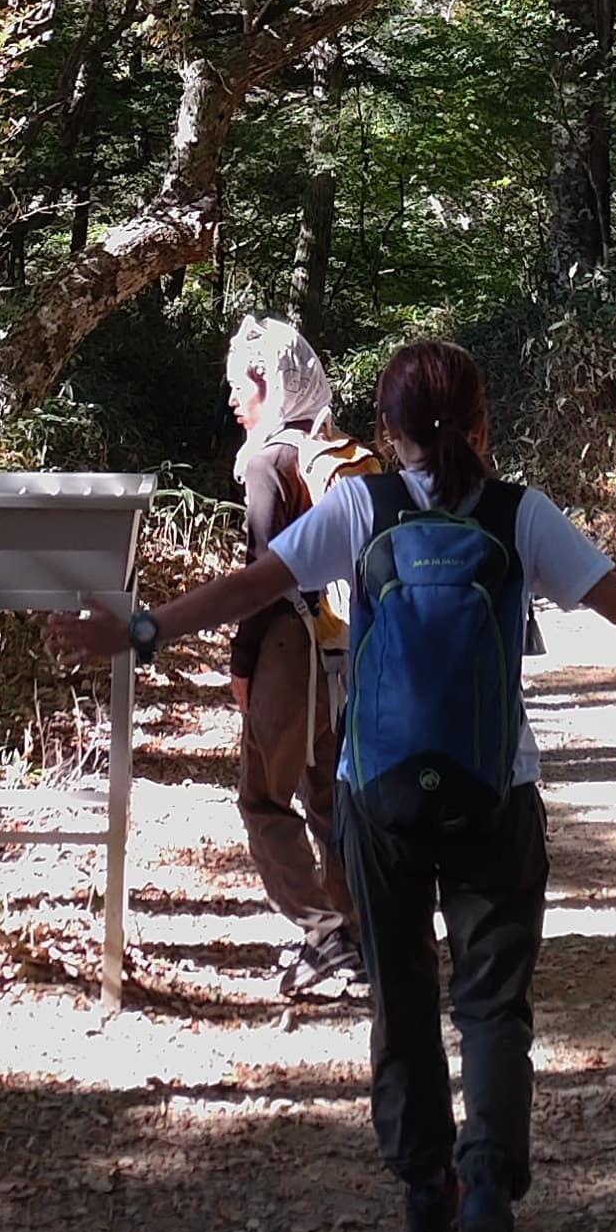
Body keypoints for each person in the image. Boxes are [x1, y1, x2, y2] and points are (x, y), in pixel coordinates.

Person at [51, 336, 616, 1232]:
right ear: (484, 423)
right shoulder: (519, 515)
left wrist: (138, 629)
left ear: (386, 431)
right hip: (496, 794)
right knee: (493, 1006)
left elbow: (250, 589)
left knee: (404, 994)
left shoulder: (359, 507)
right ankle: (489, 1187)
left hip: (379, 797)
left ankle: (426, 1189)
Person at [220, 315, 374, 1000]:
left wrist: (242, 661)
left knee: (262, 796)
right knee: (329, 797)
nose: (231, 399)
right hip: (342, 645)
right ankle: (361, 933)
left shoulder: (264, 461)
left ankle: (320, 933)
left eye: (238, 385)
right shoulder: (333, 452)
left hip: (287, 644)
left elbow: (263, 572)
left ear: (268, 381)